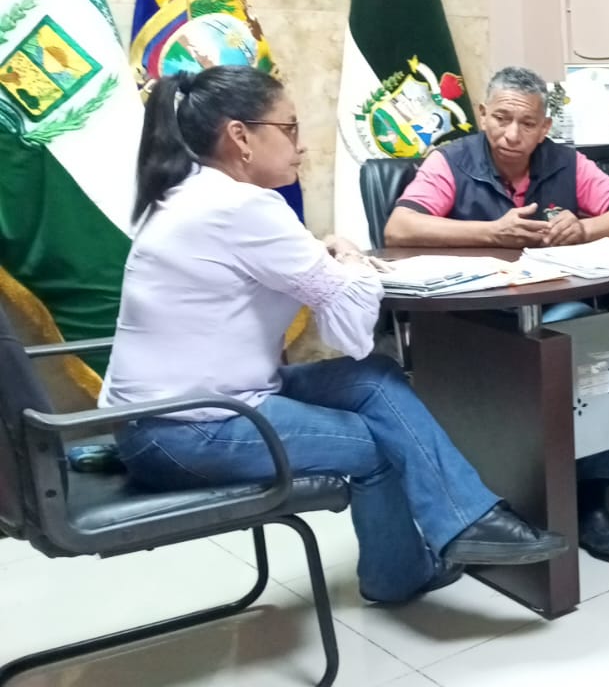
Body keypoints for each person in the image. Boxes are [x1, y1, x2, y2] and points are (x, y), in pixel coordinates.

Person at [101, 66, 568, 604]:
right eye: (289, 129)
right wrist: (349, 257)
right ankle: (402, 573)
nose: (300, 146)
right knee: (378, 441)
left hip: (177, 410)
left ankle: (468, 521)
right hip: (187, 430)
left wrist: (331, 262)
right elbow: (350, 319)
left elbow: (288, 280)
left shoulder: (190, 193)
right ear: (240, 137)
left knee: (373, 379)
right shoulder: (240, 206)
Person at [381, 66, 609, 562]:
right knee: (567, 334)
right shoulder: (452, 161)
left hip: (549, 308)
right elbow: (400, 227)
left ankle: (591, 500)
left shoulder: (564, 162)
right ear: (483, 114)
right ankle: (505, 495)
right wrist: (491, 232)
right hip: (469, 317)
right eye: (502, 119)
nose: (512, 134)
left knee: (589, 335)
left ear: (544, 127)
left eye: (527, 124)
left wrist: (584, 229)